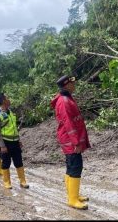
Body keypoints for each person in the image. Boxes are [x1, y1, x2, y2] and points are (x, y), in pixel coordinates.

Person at [50, 75, 91, 210]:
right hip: (70, 140)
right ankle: (72, 200)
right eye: (72, 83)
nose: (74, 85)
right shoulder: (64, 101)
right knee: (75, 166)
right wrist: (76, 142)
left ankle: (73, 195)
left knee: (71, 165)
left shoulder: (66, 98)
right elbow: (68, 123)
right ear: (67, 85)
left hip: (69, 139)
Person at [0, 93, 29, 189]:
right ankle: (7, 182)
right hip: (5, 142)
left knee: (19, 161)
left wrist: (18, 140)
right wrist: (2, 145)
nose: (9, 99)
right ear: (3, 101)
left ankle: (23, 181)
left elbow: (14, 128)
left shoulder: (11, 112)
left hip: (15, 141)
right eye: (7, 98)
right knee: (6, 162)